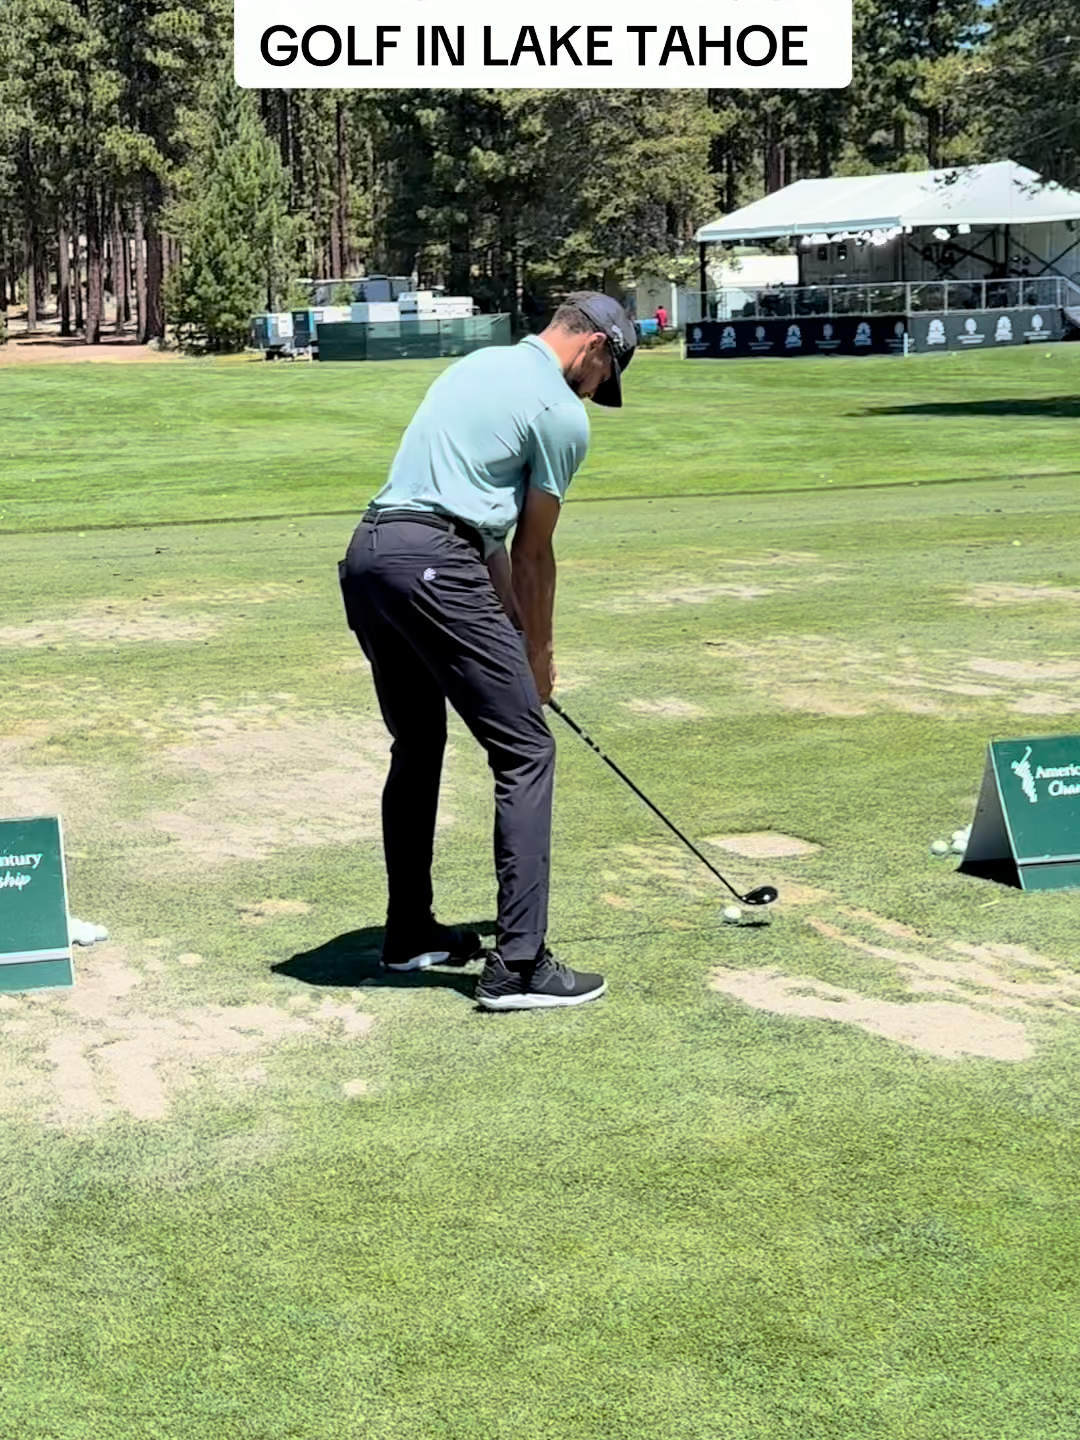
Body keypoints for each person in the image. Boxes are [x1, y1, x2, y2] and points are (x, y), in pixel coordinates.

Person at [338, 292, 636, 1010]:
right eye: (605, 377)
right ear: (594, 347)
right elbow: (535, 554)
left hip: (372, 554)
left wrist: (503, 620)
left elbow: (486, 533)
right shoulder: (561, 413)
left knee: (418, 743)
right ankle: (521, 967)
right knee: (527, 752)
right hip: (435, 560)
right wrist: (538, 655)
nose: (597, 395)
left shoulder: (481, 365)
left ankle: (409, 932)